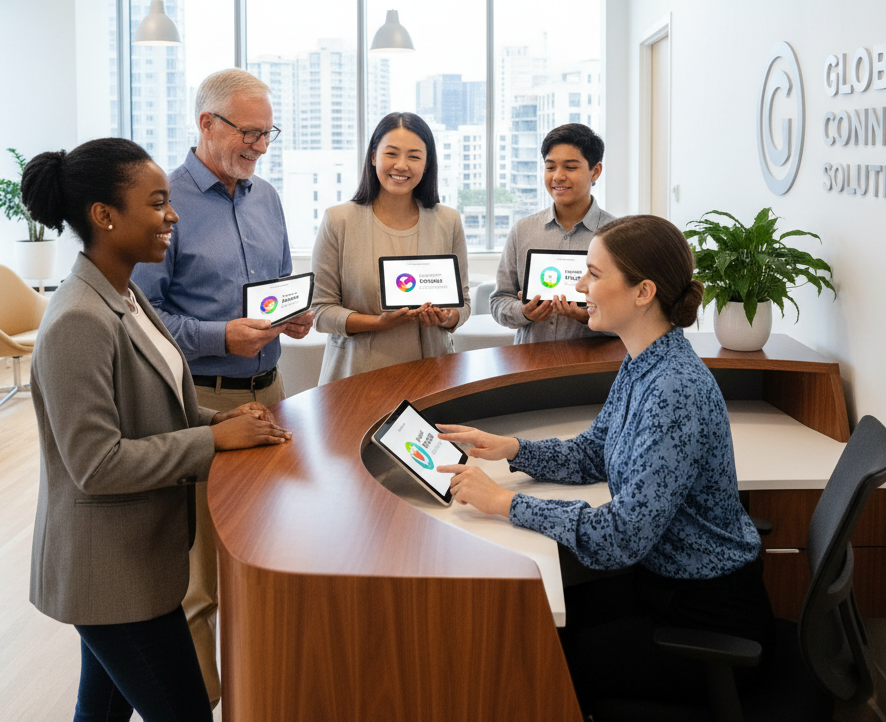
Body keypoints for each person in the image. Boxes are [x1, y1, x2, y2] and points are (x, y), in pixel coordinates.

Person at [438, 215, 774, 712]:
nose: (579, 285)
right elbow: (594, 450)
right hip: (664, 586)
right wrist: (511, 449)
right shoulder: (645, 360)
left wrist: (506, 503)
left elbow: (619, 537)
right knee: (540, 620)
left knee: (538, 658)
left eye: (593, 274)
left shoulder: (672, 390)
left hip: (706, 617)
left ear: (643, 292)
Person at [20, 138, 292, 722]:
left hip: (138, 563)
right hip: (110, 574)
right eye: (158, 203)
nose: (173, 216)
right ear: (105, 216)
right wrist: (211, 441)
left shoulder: (125, 293)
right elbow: (96, 464)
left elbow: (153, 406)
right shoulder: (78, 321)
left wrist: (217, 419)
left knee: (101, 713)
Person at [132, 68, 312, 707]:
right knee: (204, 574)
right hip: (205, 403)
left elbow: (283, 281)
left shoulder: (266, 196)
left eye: (268, 134)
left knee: (273, 547)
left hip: (274, 388)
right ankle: (205, 704)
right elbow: (145, 324)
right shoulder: (162, 203)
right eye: (249, 133)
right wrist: (219, 336)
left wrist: (295, 313)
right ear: (206, 123)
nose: (260, 147)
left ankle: (265, 686)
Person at [312, 111, 471, 385]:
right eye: (391, 153)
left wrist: (447, 317)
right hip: (357, 377)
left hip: (433, 375)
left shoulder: (448, 221)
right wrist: (378, 323)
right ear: (374, 157)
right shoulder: (339, 220)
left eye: (414, 156)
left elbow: (464, 304)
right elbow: (321, 312)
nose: (401, 165)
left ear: (427, 163)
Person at [490, 122, 616, 343]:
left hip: (593, 369)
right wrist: (523, 312)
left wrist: (589, 316)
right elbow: (499, 301)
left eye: (570, 167)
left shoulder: (617, 235)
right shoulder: (523, 230)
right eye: (550, 167)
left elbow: (633, 315)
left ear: (595, 171)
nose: (557, 176)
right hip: (529, 366)